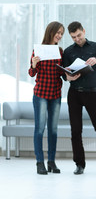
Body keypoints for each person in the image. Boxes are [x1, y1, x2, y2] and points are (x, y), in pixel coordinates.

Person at [63, 21, 96, 175]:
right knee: (76, 131)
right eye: (73, 37)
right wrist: (68, 77)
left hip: (91, 93)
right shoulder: (68, 51)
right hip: (74, 93)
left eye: (79, 35)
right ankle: (79, 164)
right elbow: (64, 73)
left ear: (84, 31)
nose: (77, 39)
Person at [28, 21, 65, 175]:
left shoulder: (60, 51)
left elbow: (62, 73)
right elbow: (31, 73)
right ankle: (39, 162)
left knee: (53, 130)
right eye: (58, 32)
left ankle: (51, 162)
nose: (59, 35)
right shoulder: (38, 50)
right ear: (50, 32)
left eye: (61, 33)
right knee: (40, 129)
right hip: (41, 94)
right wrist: (34, 64)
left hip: (55, 94)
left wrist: (69, 72)